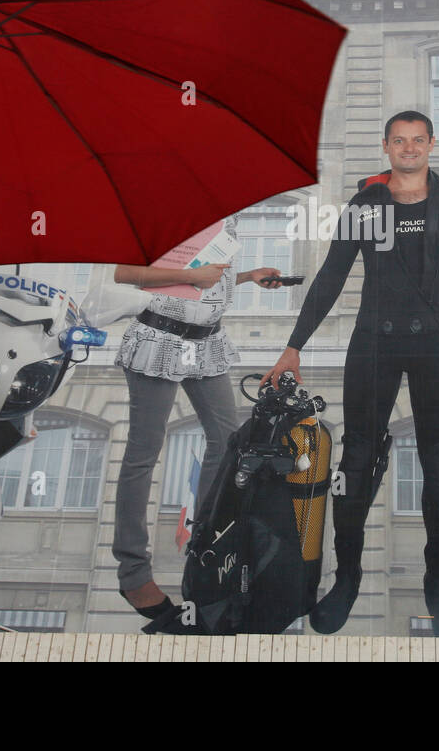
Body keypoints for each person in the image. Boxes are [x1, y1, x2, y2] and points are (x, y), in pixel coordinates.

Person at [262, 111, 439, 638]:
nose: (408, 149)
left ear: (430, 144)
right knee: (355, 461)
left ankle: (437, 585)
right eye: (399, 141)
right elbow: (332, 272)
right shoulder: (366, 206)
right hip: (374, 342)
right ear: (386, 147)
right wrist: (293, 347)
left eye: (417, 140)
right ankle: (347, 578)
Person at [110, 218, 284, 628]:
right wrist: (190, 275)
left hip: (205, 343)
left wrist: (247, 277)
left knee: (227, 443)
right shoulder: (162, 206)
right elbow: (123, 273)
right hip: (159, 339)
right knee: (143, 453)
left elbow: (209, 283)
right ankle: (133, 573)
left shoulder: (228, 216)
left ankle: (207, 544)